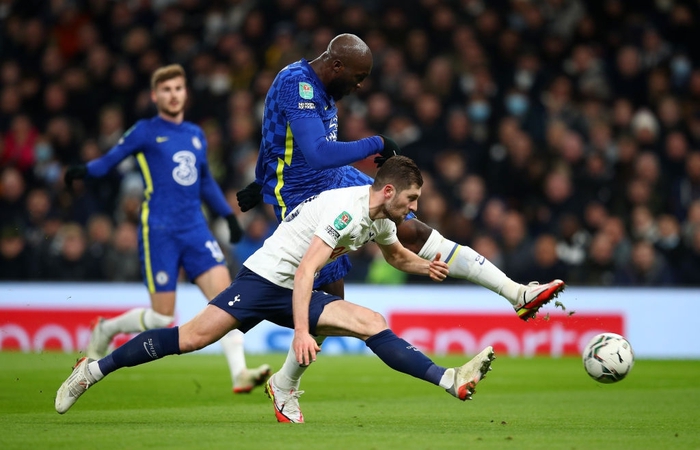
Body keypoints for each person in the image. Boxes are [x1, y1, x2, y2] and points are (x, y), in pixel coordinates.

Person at [235, 33, 565, 421]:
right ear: (336, 65)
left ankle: (517, 294)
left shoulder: (319, 86)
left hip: (328, 180)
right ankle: (284, 385)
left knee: (410, 227)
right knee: (331, 304)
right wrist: (376, 142)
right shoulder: (297, 83)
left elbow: (281, 137)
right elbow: (316, 151)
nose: (359, 86)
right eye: (357, 77)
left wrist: (261, 180)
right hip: (304, 197)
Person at [55, 156, 496, 420]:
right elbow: (306, 272)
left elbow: (396, 255)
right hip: (264, 280)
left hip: (290, 289)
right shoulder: (346, 212)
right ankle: (92, 371)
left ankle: (449, 379)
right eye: (411, 199)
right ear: (388, 190)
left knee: (372, 322)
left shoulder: (381, 216)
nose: (415, 208)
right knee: (188, 338)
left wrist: (426, 267)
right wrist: (303, 332)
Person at [63, 64, 270, 394]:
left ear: (185, 93)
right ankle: (106, 328)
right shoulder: (145, 130)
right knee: (162, 319)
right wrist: (83, 171)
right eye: (167, 90)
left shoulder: (195, 134)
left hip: (196, 229)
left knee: (227, 301)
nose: (173, 95)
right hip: (159, 229)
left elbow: (204, 181)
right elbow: (110, 160)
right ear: (155, 95)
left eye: (178, 89)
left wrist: (227, 215)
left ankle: (239, 373)